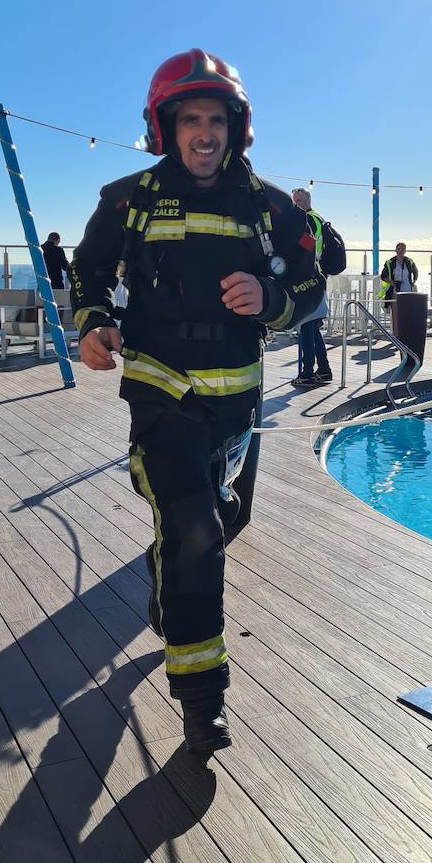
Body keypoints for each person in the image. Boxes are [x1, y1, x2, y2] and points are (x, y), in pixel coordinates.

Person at [69, 49, 322, 754]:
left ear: (236, 127)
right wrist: (91, 323)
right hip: (160, 400)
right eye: (190, 119)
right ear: (166, 126)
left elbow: (313, 290)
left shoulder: (271, 208)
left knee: (222, 521)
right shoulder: (127, 199)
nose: (203, 132)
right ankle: (202, 698)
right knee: (196, 531)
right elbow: (87, 272)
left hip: (238, 409)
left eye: (216, 118)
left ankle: (164, 578)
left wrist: (272, 298)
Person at [292, 188, 332, 386]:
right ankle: (324, 369)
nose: (296, 204)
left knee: (307, 326)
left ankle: (307, 372)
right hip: (317, 277)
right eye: (294, 201)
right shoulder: (318, 218)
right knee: (312, 328)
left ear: (308, 200)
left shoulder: (310, 219)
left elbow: (309, 245)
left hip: (310, 278)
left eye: (299, 200)